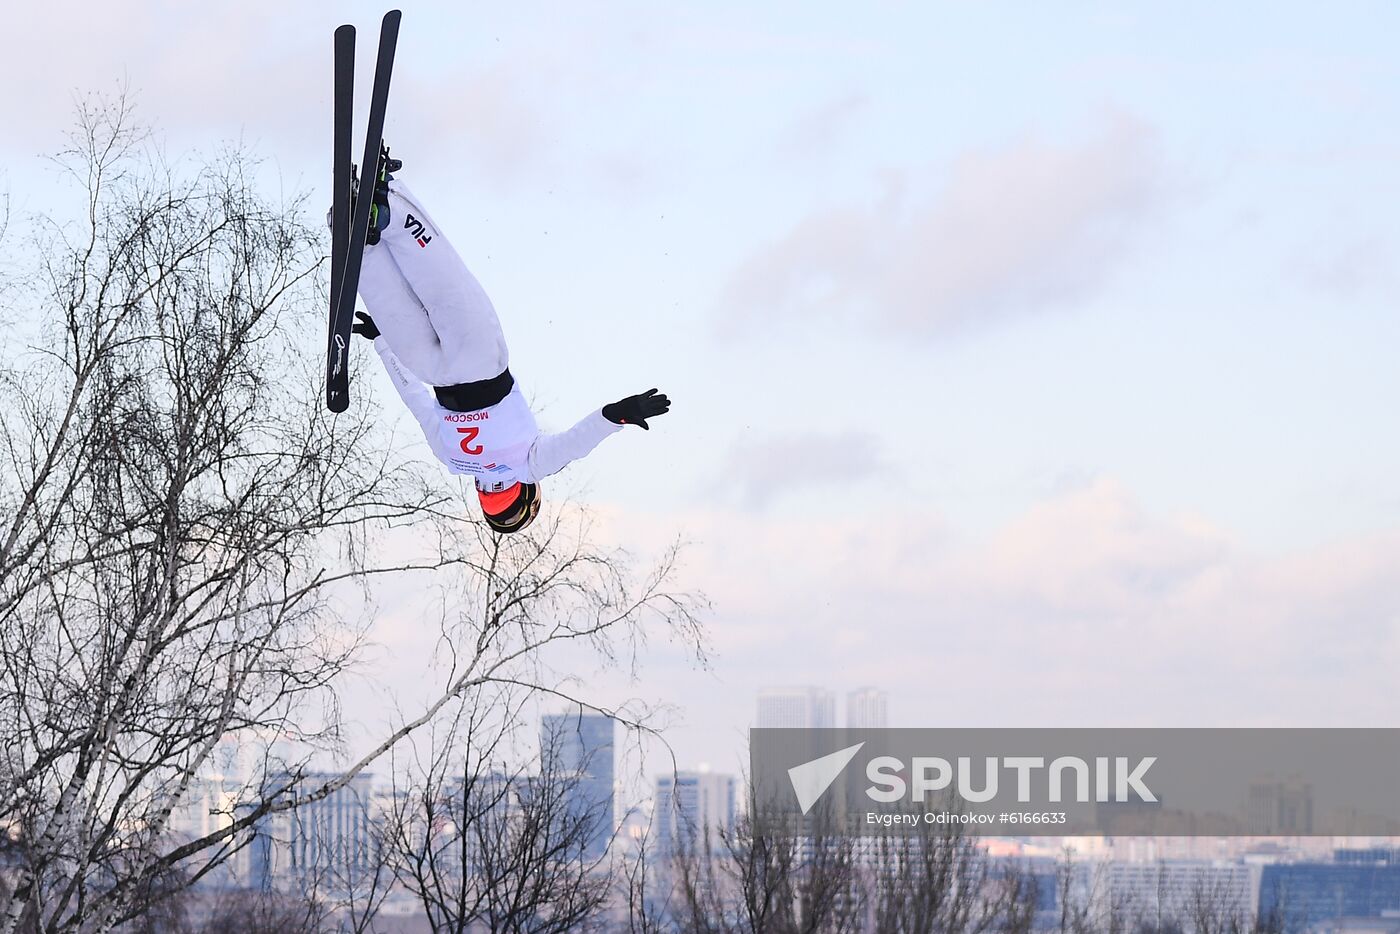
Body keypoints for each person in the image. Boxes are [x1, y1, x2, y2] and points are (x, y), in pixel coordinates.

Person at [347, 157, 670, 534]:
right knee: (403, 297)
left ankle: (388, 210)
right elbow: (414, 399)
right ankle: (367, 236)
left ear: (529, 495)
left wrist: (618, 415)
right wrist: (385, 343)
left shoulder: (529, 467)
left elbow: (575, 444)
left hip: (479, 362)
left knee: (443, 284)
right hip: (432, 371)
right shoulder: (453, 461)